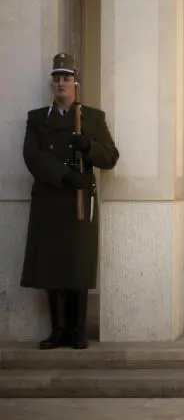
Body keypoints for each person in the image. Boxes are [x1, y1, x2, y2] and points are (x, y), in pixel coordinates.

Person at [20, 53, 120, 349]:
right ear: (52, 85)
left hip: (80, 203)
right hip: (51, 199)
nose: (61, 83)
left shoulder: (93, 117)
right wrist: (64, 175)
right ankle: (58, 330)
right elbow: (32, 156)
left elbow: (110, 157)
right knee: (51, 266)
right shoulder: (38, 118)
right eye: (57, 79)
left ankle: (77, 332)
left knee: (78, 266)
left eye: (66, 78)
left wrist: (89, 146)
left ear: (76, 83)